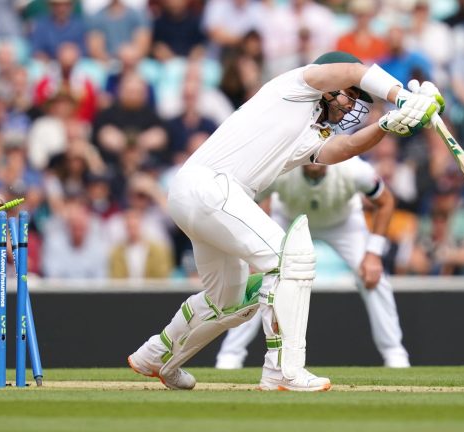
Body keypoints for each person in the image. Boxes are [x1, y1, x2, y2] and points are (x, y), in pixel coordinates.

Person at [127, 51, 443, 392]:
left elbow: (345, 148)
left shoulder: (313, 133)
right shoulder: (299, 84)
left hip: (200, 194)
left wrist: (385, 125)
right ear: (330, 85)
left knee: (229, 301)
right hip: (212, 187)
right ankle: (283, 370)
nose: (352, 107)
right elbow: (354, 69)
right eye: (349, 95)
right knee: (290, 259)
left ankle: (156, 354)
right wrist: (403, 95)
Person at [215, 158, 410, 370]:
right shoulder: (279, 168)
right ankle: (230, 356)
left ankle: (395, 355)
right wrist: (251, 248)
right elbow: (245, 201)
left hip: (344, 224)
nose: (315, 158)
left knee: (374, 278)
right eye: (311, 153)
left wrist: (373, 253)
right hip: (289, 220)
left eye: (321, 153)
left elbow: (386, 201)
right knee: (261, 280)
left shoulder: (355, 170)